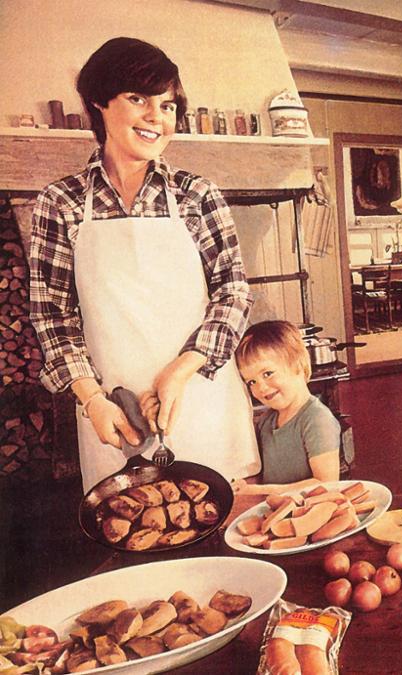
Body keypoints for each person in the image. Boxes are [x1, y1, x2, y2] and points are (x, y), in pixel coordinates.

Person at [29, 37, 260, 492]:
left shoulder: (197, 195)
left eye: (168, 105)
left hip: (202, 398)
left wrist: (181, 369)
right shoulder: (61, 202)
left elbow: (233, 293)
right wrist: (92, 400)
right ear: (99, 102)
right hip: (115, 416)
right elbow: (53, 315)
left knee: (225, 519)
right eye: (138, 99)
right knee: (132, 522)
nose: (157, 116)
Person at [232, 321, 343, 495]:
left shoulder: (317, 420)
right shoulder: (266, 421)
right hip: (277, 508)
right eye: (251, 382)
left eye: (267, 374)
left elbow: (326, 484)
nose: (261, 388)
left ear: (298, 364)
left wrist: (259, 490)